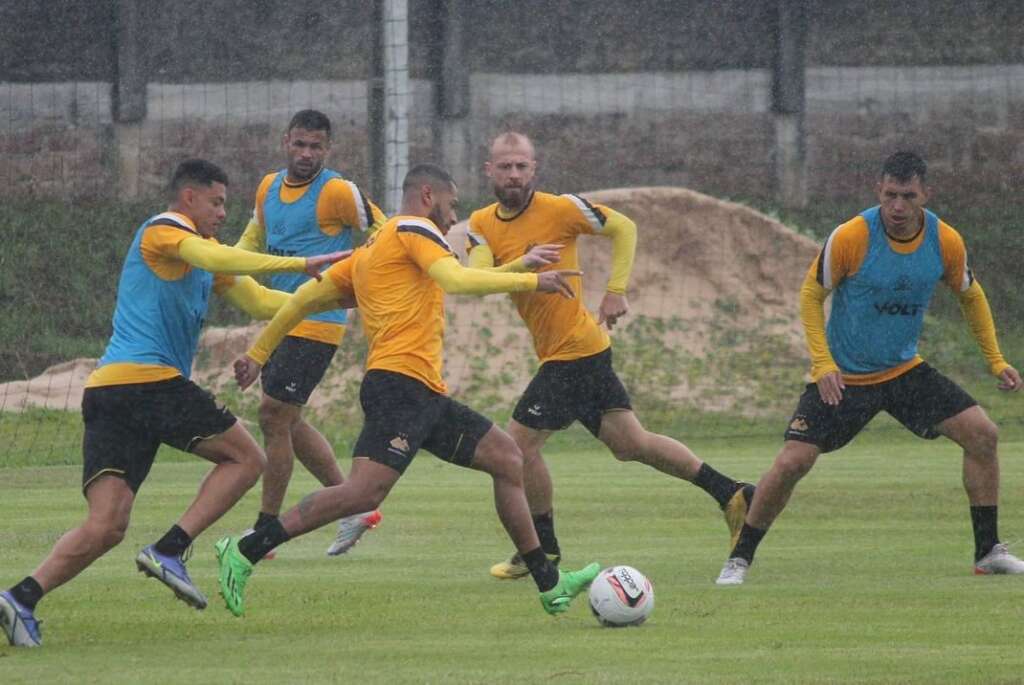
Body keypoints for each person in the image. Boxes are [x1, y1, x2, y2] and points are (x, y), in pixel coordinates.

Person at [215, 163, 601, 618]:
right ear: (426, 195)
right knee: (362, 495)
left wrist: (259, 355)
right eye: (452, 205)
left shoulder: (371, 251)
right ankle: (246, 550)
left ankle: (549, 582)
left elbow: (302, 300)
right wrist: (532, 280)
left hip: (419, 391)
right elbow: (457, 280)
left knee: (507, 457)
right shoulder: (416, 229)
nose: (454, 218)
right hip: (400, 388)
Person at [0, 159, 346, 647]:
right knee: (248, 458)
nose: (223, 213)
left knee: (107, 525)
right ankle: (170, 549)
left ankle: (21, 597)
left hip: (111, 393)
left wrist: (341, 291)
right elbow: (225, 259)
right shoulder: (164, 230)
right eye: (217, 202)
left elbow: (268, 303)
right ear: (188, 198)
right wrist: (298, 264)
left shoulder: (207, 262)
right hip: (146, 384)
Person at [716, 151, 1024, 586]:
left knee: (983, 434)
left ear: (925, 195)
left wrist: (995, 360)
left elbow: (970, 296)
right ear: (878, 191)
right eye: (890, 195)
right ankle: (739, 558)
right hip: (845, 377)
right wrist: (823, 364)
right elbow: (810, 295)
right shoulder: (853, 236)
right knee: (791, 464)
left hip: (903, 372)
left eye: (908, 196)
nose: (897, 207)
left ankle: (988, 552)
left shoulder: (944, 240)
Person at [466, 132, 753, 580]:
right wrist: (523, 266)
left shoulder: (560, 209)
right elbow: (479, 277)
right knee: (631, 444)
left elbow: (624, 227)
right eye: (505, 166)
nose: (514, 175)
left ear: (534, 169)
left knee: (516, 448)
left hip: (575, 352)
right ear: (489, 170)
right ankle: (732, 493)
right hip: (577, 353)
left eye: (522, 166)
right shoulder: (482, 224)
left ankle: (543, 549)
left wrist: (616, 290)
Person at [235, 109, 387, 558]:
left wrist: (359, 278)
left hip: (319, 322)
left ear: (328, 148)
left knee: (271, 415)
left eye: (315, 146)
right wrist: (219, 264)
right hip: (280, 319)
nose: (306, 154)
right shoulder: (267, 187)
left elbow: (385, 231)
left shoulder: (338, 191)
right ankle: (351, 503)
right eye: (299, 144)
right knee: (287, 420)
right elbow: (250, 241)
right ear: (285, 141)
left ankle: (264, 531)